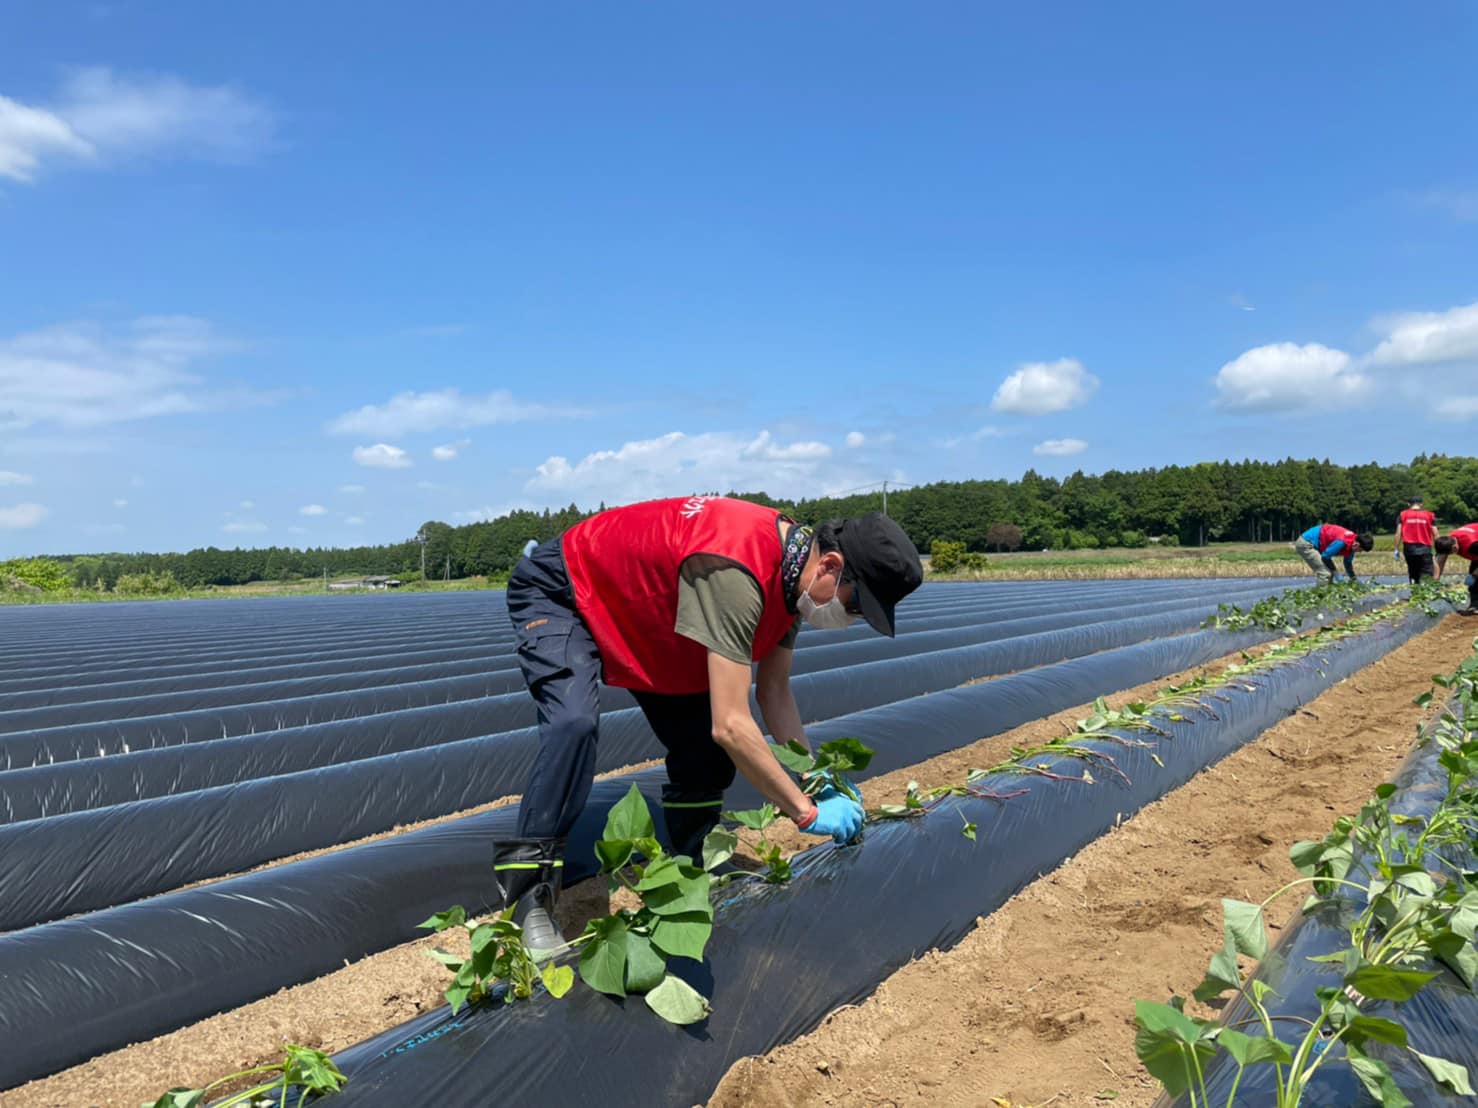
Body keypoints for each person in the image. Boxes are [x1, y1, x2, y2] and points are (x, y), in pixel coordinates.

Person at [494, 495, 923, 952]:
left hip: (648, 621)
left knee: (705, 755)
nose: (851, 618)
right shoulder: (736, 572)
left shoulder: (793, 582)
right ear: (830, 566)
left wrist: (817, 778)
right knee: (572, 723)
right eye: (855, 604)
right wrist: (805, 809)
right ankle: (528, 903)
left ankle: (689, 861)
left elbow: (773, 692)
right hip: (565, 589)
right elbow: (732, 724)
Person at [1294, 522, 1374, 584]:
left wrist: (1354, 579)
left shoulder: (1352, 545)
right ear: (1357, 544)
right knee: (1325, 573)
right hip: (1306, 543)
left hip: (1317, 544)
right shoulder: (1342, 541)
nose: (1359, 552)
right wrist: (1336, 573)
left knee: (1330, 573)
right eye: (1360, 550)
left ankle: (1328, 598)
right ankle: (1319, 600)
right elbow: (1325, 557)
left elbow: (1348, 564)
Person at [1433, 524, 1478, 614]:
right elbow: (1441, 561)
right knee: (1474, 580)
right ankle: (1475, 606)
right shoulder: (1447, 542)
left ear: (1454, 548)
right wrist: (1435, 581)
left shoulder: (1471, 545)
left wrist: (1476, 572)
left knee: (1475, 575)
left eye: (1450, 553)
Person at [1393, 496, 1437, 583]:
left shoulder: (1403, 514)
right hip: (1425, 548)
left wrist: (1396, 549)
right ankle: (1425, 594)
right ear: (1421, 504)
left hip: (1409, 549)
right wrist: (1439, 549)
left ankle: (1414, 594)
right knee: (1427, 575)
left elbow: (1398, 533)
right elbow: (1436, 534)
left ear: (1408, 504)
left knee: (1413, 573)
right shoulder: (1430, 515)